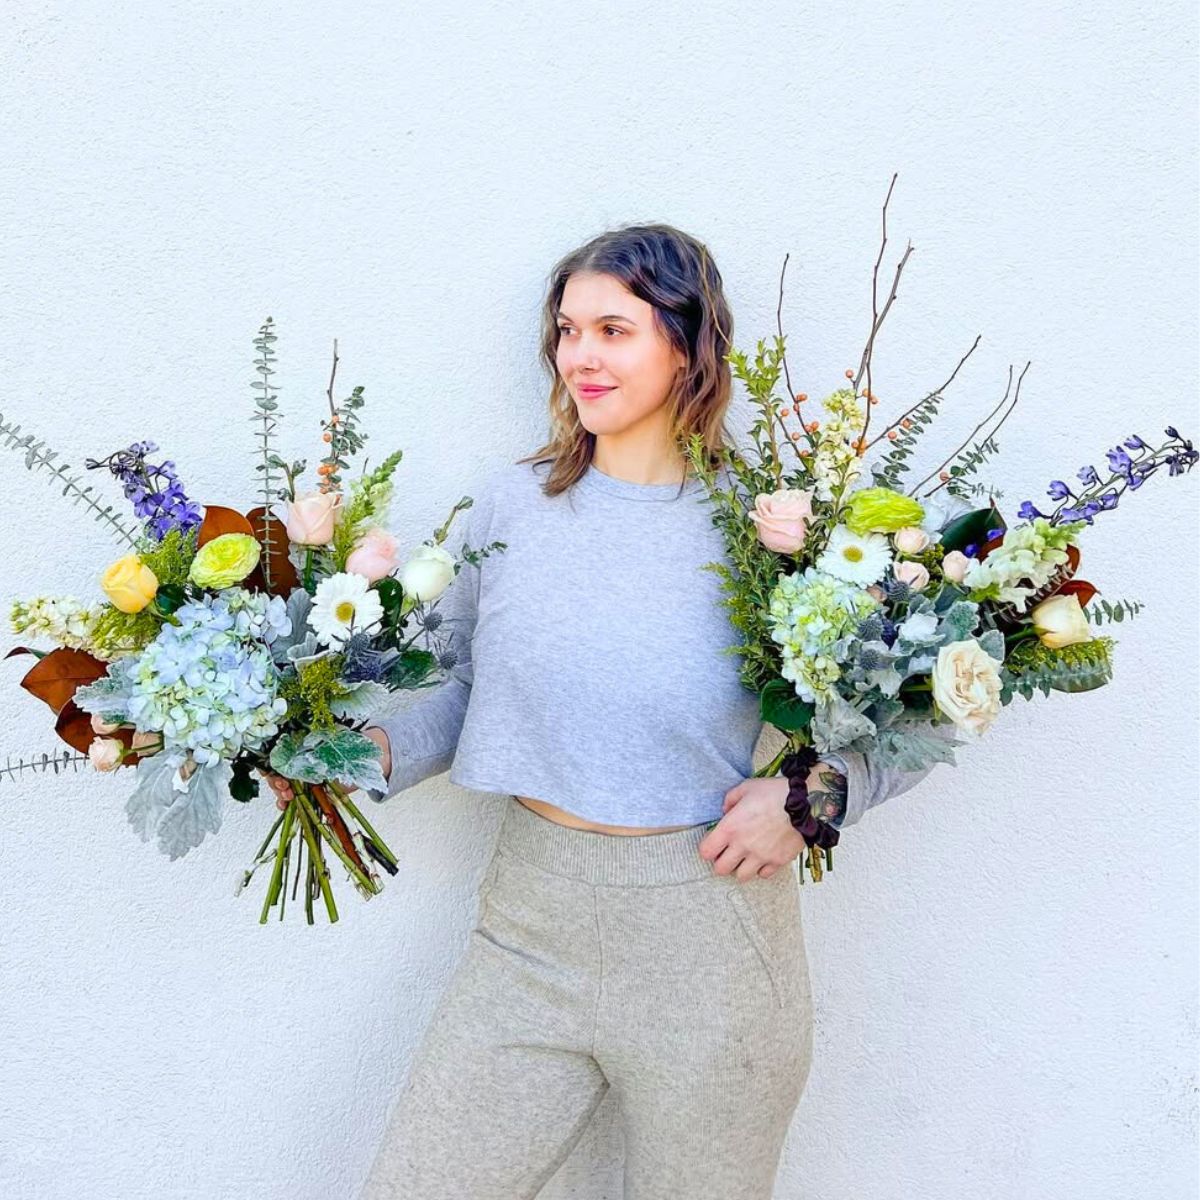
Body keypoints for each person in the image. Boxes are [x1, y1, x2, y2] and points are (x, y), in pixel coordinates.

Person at [261, 224, 950, 1199]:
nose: (580, 355)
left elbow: (924, 706)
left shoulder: (776, 530)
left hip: (709, 942)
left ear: (688, 347)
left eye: (614, 330)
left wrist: (812, 799)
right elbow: (463, 684)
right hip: (526, 928)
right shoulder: (511, 506)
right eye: (568, 329)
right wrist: (355, 753)